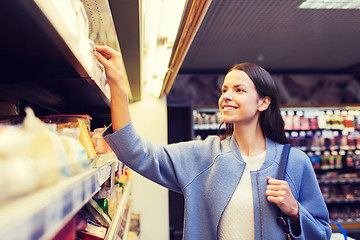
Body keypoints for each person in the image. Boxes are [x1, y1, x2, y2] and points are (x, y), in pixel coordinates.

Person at [95, 45, 332, 240]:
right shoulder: (202, 156)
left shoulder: (295, 163)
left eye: (239, 90)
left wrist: (295, 211)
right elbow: (135, 152)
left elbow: (323, 233)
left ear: (263, 103)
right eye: (224, 89)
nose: (226, 96)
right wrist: (117, 84)